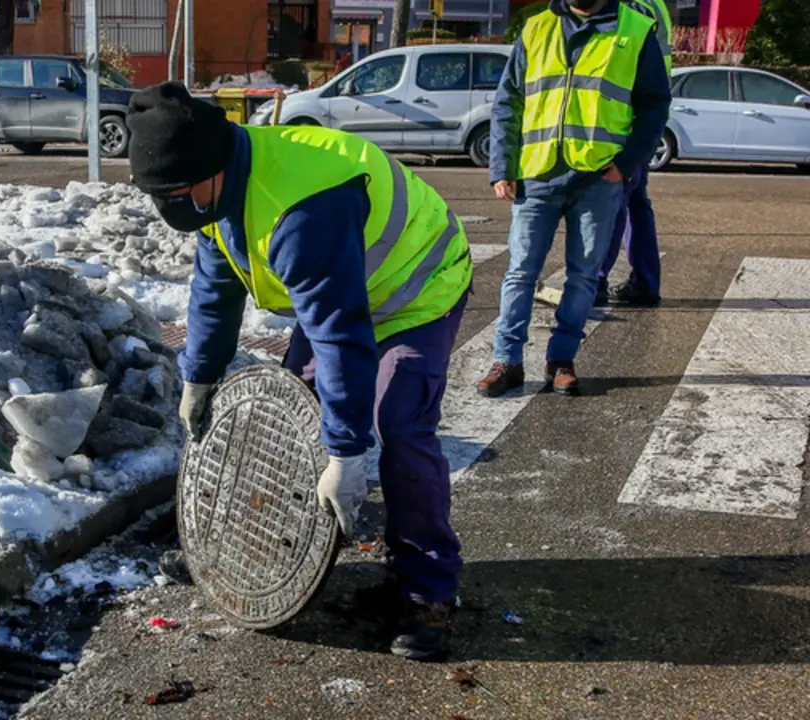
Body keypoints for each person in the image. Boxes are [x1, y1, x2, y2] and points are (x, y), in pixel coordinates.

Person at [125, 82, 473, 660]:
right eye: (161, 196)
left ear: (210, 170)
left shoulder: (299, 206)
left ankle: (426, 591)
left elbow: (343, 337)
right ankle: (248, 550)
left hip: (416, 291)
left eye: (179, 193)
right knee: (282, 423)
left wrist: (344, 454)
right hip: (341, 289)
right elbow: (215, 289)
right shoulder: (213, 191)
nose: (172, 207)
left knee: (399, 429)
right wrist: (199, 376)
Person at [479, 0, 671, 398]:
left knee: (583, 276)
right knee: (520, 273)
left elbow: (653, 105)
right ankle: (507, 361)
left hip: (598, 176)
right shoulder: (536, 28)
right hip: (538, 173)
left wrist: (628, 163)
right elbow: (509, 100)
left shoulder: (635, 30)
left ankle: (561, 360)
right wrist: (502, 166)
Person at [597, 0, 673, 308]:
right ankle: (645, 281)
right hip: (640, 121)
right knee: (636, 205)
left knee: (613, 203)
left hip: (625, 123)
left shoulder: (634, 8)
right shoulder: (655, 4)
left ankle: (595, 281)